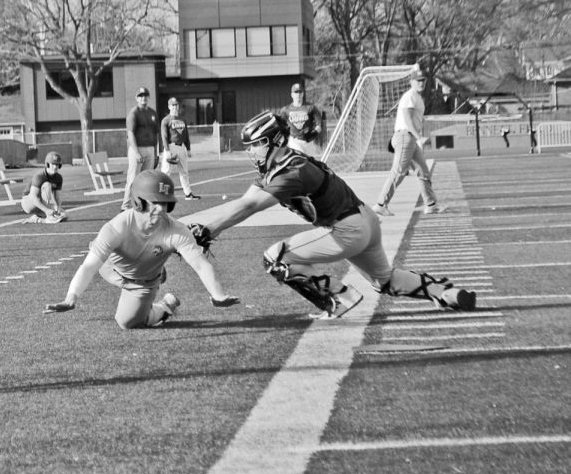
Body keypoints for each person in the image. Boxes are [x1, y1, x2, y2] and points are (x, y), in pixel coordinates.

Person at [191, 111, 476, 319]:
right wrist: (208, 227)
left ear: (274, 141)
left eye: (255, 144)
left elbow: (252, 206)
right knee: (385, 281)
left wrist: (210, 230)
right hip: (364, 220)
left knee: (275, 258)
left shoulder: (291, 171)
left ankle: (339, 299)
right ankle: (444, 292)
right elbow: (246, 201)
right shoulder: (284, 164)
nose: (251, 152)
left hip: (346, 229)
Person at [43, 170, 240, 329]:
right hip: (110, 267)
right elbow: (89, 267)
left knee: (127, 322)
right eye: (156, 202)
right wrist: (71, 298)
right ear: (139, 201)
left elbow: (201, 265)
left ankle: (165, 305)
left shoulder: (176, 230)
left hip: (141, 280)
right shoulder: (117, 227)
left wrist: (218, 295)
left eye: (166, 203)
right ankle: (156, 267)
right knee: (97, 253)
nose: (161, 209)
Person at [372, 65, 442, 216]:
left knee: (423, 171)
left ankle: (431, 204)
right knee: (399, 171)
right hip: (405, 137)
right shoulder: (410, 96)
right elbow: (407, 119)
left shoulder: (417, 97)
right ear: (411, 82)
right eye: (418, 80)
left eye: (423, 80)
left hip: (410, 139)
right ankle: (380, 204)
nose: (421, 83)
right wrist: (419, 138)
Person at [120, 86, 159, 210]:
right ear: (137, 98)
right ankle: (126, 205)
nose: (143, 98)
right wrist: (136, 152)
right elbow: (130, 133)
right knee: (132, 178)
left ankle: (142, 204)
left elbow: (156, 133)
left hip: (150, 149)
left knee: (146, 179)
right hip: (138, 149)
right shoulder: (134, 113)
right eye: (141, 96)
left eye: (145, 96)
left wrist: (157, 152)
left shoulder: (152, 113)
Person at [159, 97, 200, 201]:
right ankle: (162, 195)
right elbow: (164, 136)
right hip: (171, 146)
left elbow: (186, 135)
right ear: (169, 107)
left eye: (176, 105)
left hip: (181, 147)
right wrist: (167, 150)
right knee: (166, 172)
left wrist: (188, 148)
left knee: (184, 172)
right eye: (172, 105)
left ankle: (188, 193)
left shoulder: (183, 119)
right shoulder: (166, 120)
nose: (175, 107)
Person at [279, 82, 323, 157]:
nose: (298, 95)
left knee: (311, 165)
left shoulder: (311, 107)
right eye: (296, 92)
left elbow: (319, 124)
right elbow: (281, 126)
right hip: (294, 141)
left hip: (308, 141)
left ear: (303, 94)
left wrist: (313, 133)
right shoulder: (285, 110)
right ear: (292, 94)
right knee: (300, 160)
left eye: (300, 92)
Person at [21, 150, 66, 224]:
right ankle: (47, 217)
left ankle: (37, 219)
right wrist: (46, 210)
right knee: (47, 185)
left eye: (57, 164)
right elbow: (33, 197)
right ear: (47, 164)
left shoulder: (59, 178)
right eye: (53, 164)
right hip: (28, 202)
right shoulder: (39, 176)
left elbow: (57, 196)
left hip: (41, 202)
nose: (55, 167)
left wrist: (58, 207)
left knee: (64, 215)